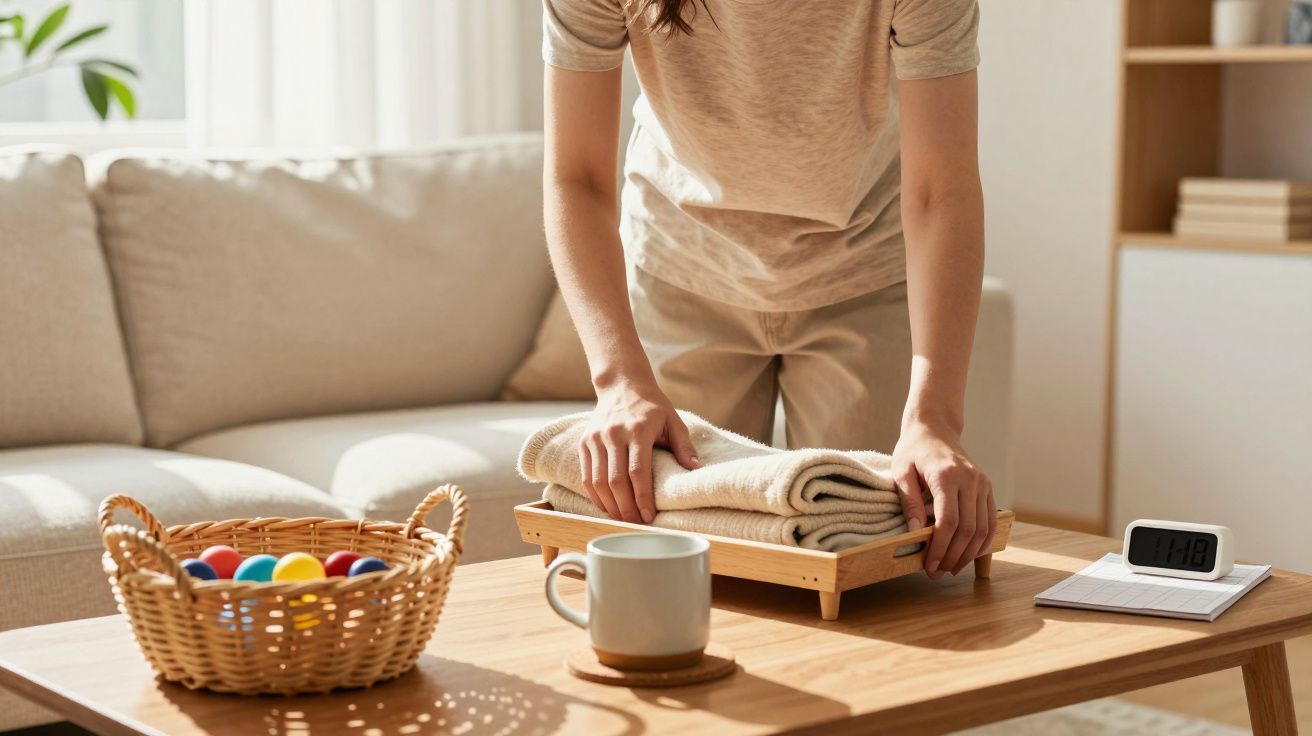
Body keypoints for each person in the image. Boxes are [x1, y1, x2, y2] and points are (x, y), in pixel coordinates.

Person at [542, 0, 994, 579]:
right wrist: (619, 382)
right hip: (681, 274)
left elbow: (942, 192)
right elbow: (576, 178)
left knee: (879, 560)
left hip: (860, 276)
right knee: (672, 562)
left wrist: (936, 421)